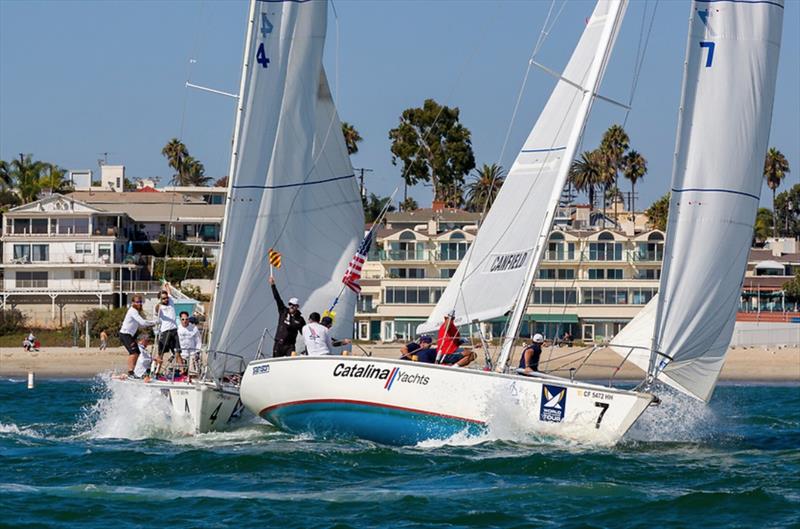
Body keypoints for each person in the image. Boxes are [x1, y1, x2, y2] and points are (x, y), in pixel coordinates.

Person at [119, 294, 157, 376]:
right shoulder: (133, 311)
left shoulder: (136, 312)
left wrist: (151, 324)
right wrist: (155, 322)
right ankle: (130, 372)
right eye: (137, 302)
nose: (139, 304)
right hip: (125, 334)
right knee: (134, 352)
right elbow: (143, 323)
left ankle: (132, 371)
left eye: (140, 302)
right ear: (133, 303)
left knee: (136, 352)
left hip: (129, 335)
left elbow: (141, 324)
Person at [268, 276, 306, 357]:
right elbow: (277, 298)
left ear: (297, 306)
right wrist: (273, 285)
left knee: (291, 362)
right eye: (290, 304)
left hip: (290, 346)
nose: (291, 306)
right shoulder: (283, 311)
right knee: (276, 363)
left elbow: (305, 332)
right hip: (279, 344)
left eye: (293, 305)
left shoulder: (300, 319)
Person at [155, 283, 179, 369]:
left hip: (174, 330)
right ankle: (156, 371)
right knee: (161, 353)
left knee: (177, 352)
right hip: (165, 331)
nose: (166, 299)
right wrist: (159, 305)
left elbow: (169, 293)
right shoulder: (160, 307)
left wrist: (167, 286)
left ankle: (182, 371)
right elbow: (156, 309)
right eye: (163, 298)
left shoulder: (171, 301)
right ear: (160, 299)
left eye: (166, 298)